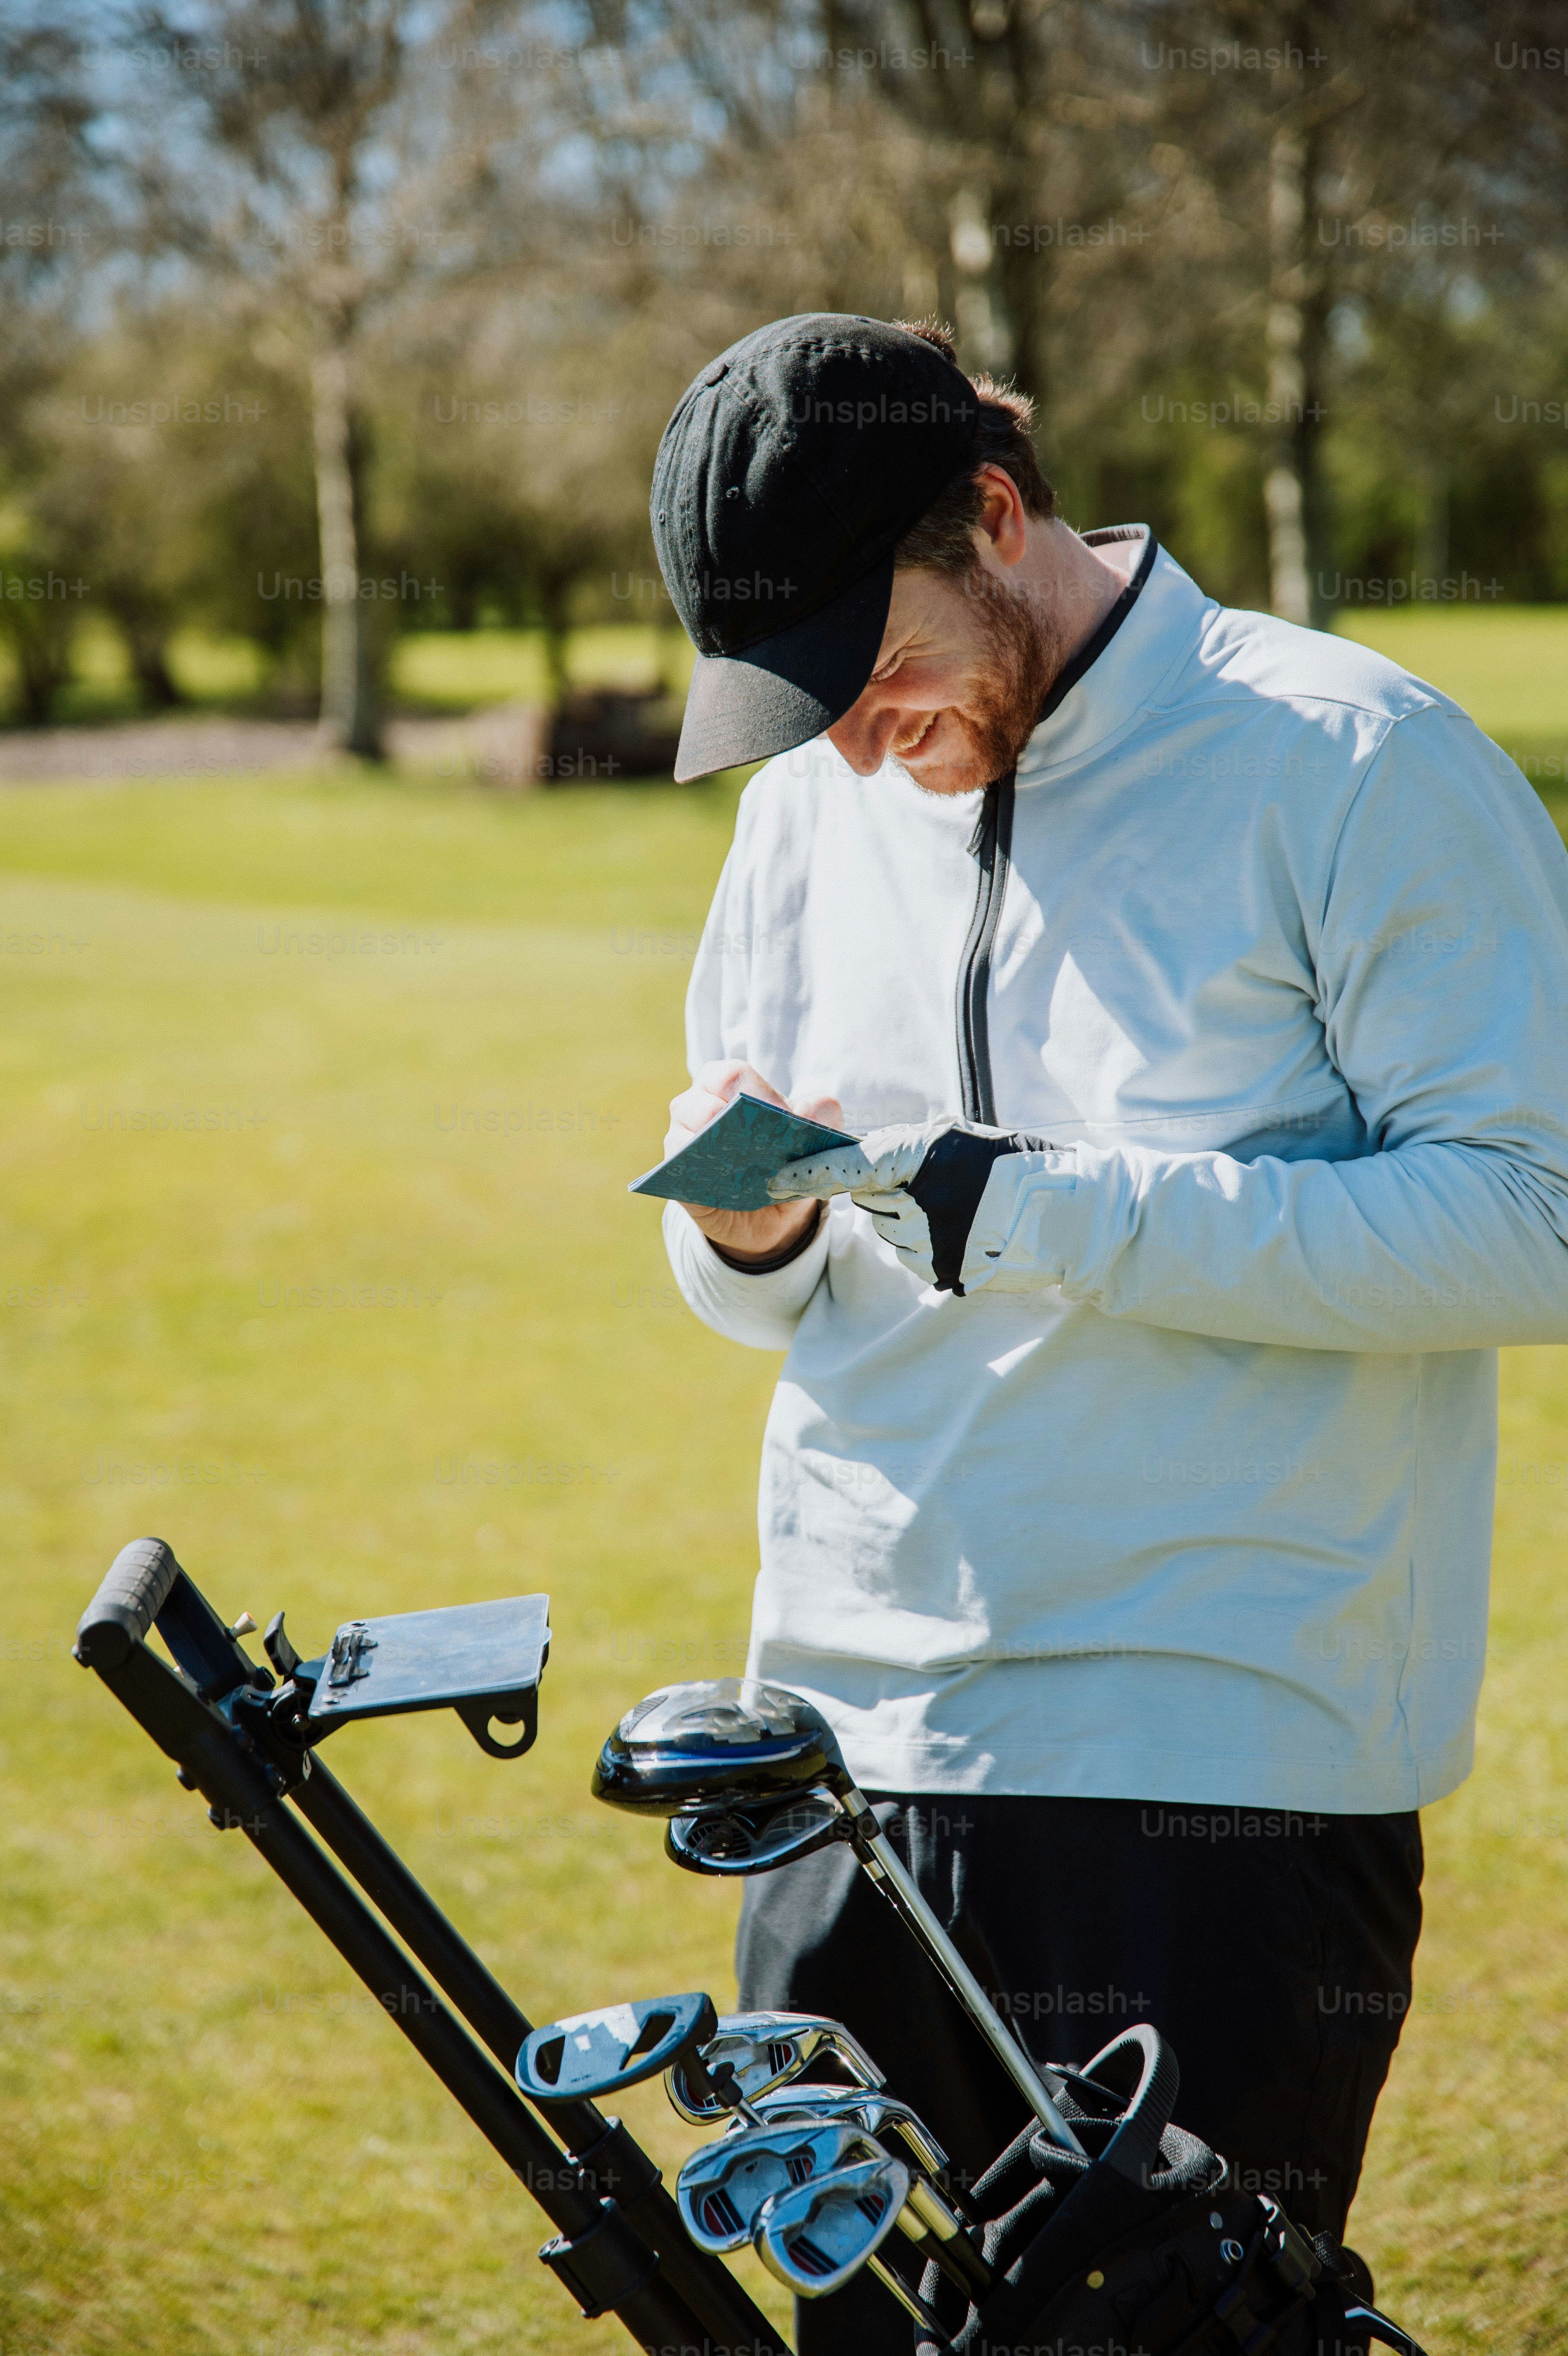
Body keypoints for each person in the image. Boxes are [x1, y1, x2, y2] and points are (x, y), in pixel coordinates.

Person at [648, 312, 1568, 2350]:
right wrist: (755, 1232)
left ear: (995, 512)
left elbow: (1538, 1219)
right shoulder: (809, 803)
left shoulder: (1350, 755)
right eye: (799, 700)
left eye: (874, 668)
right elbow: (774, 1273)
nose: (854, 735)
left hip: (1215, 1774)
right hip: (843, 1755)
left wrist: (1037, 1203)